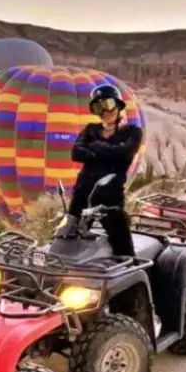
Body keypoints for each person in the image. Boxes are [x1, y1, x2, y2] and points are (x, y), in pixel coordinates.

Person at [68, 84, 143, 257]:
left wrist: (94, 148)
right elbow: (76, 152)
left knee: (123, 249)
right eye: (98, 107)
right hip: (82, 195)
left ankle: (132, 281)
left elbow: (124, 155)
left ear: (118, 105)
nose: (105, 111)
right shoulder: (90, 129)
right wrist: (109, 151)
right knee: (67, 239)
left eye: (108, 104)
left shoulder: (132, 132)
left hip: (110, 196)